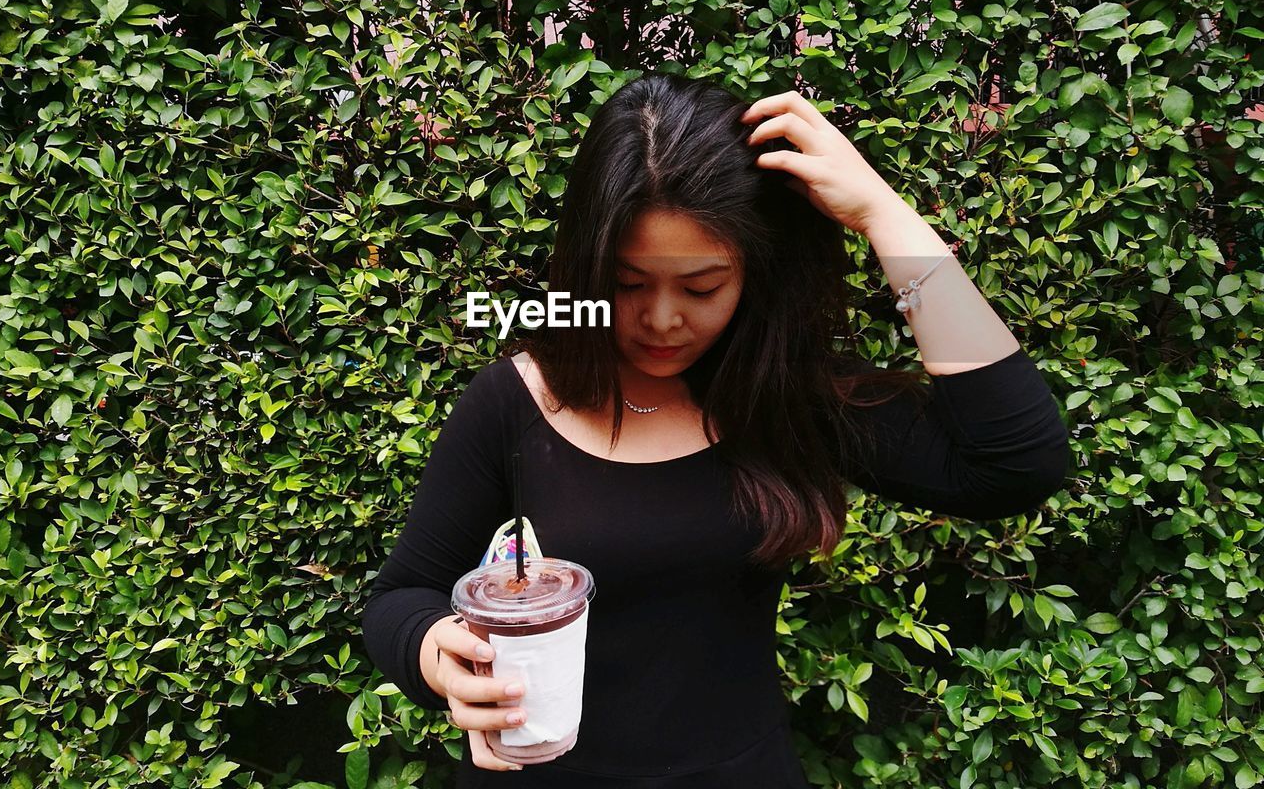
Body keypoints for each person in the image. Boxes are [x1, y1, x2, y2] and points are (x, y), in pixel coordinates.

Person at [362, 74, 1071, 787]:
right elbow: (401, 598)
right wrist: (437, 656)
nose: (663, 320)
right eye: (628, 283)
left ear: (754, 272)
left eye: (702, 287)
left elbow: (1013, 465)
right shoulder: (518, 400)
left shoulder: (784, 395)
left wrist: (885, 217)